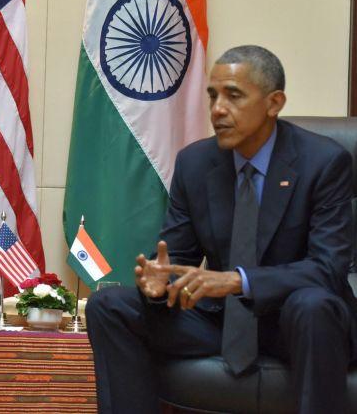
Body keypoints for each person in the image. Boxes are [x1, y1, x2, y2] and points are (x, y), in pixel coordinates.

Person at [86, 45, 357, 413]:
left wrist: (236, 280)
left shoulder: (324, 163)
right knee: (110, 305)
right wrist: (158, 283)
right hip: (220, 321)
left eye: (233, 96)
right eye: (213, 96)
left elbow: (327, 270)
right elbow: (175, 258)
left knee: (314, 305)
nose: (217, 109)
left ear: (274, 103)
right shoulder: (195, 163)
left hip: (297, 322)